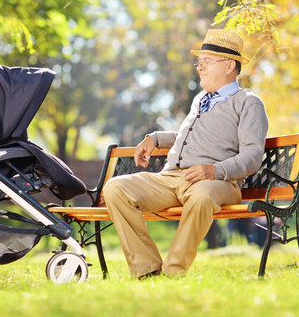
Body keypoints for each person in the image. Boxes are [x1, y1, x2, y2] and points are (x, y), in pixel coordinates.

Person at [103, 29, 269, 279]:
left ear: (229, 66)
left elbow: (253, 155)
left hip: (218, 182)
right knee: (115, 188)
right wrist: (155, 138)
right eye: (198, 62)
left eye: (207, 61)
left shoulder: (248, 102)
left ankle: (173, 271)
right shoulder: (200, 99)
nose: (199, 67)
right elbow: (186, 137)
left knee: (202, 195)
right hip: (172, 178)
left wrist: (214, 170)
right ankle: (146, 269)